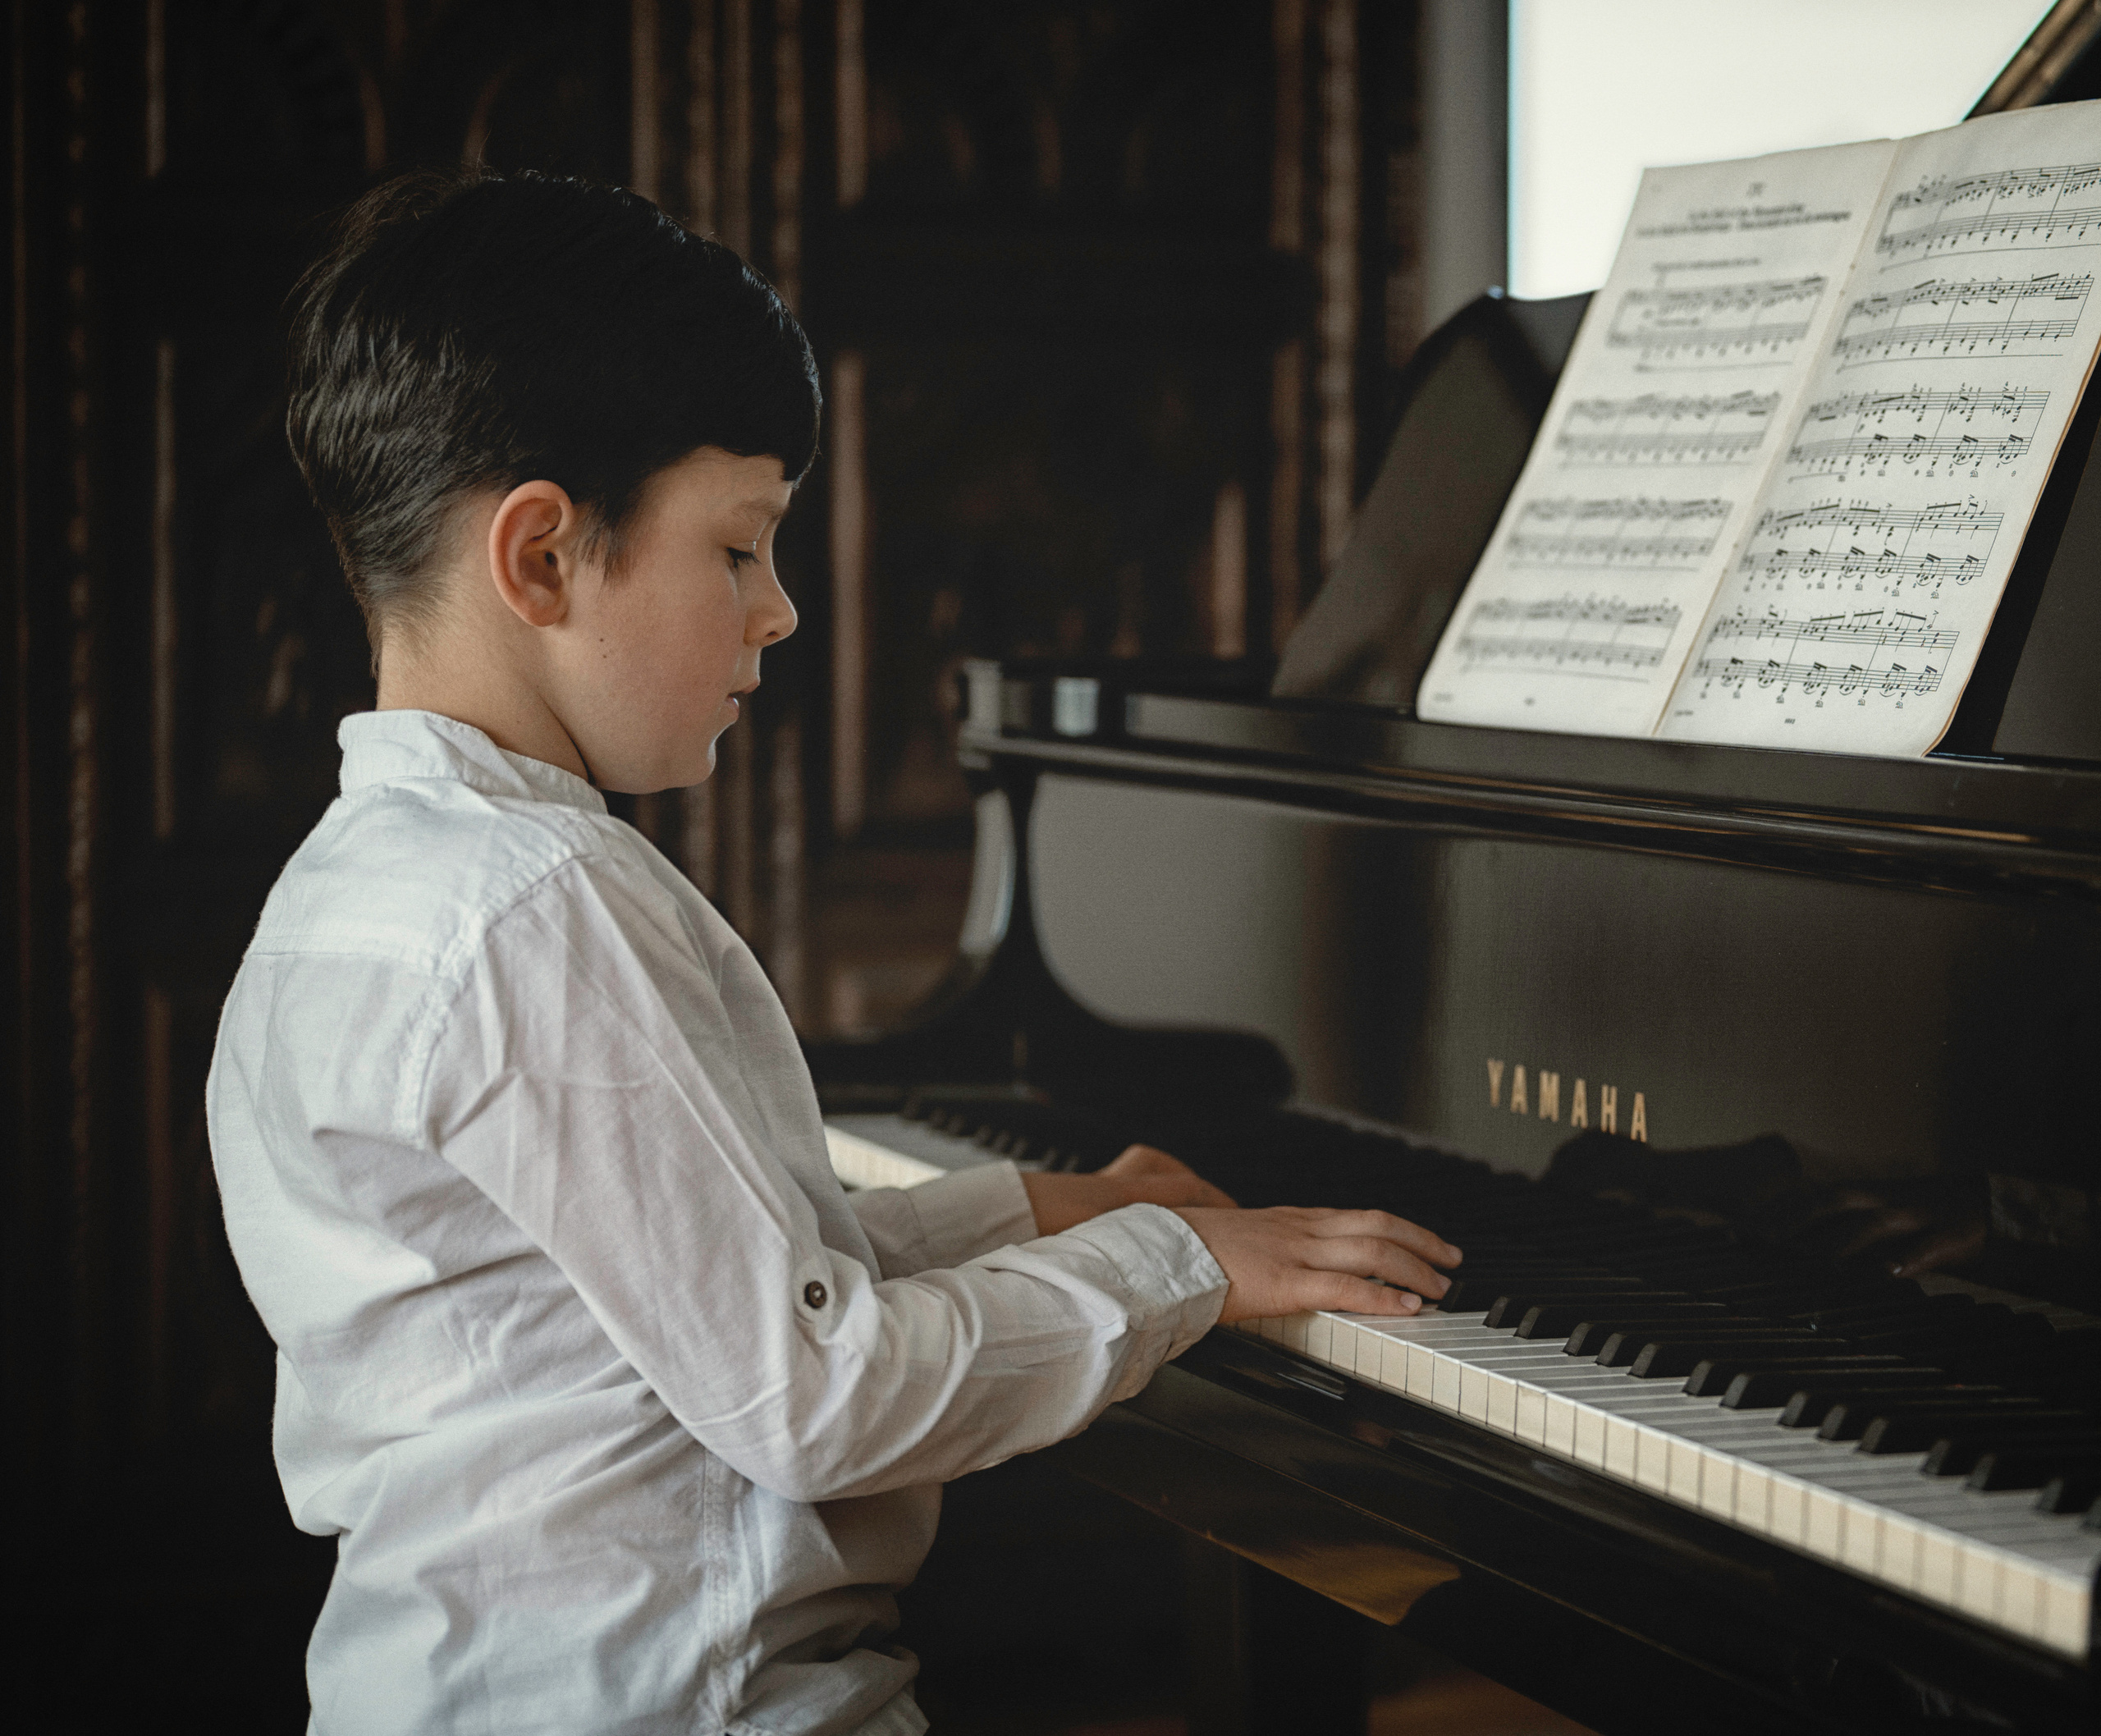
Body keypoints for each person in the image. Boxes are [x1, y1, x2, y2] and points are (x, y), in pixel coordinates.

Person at [206, 164, 1462, 1736]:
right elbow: (816, 1398)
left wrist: (1038, 1207)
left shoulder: (358, 896)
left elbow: (689, 1300)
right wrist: (1182, 1264)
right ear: (539, 558)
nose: (781, 610)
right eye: (740, 548)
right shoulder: (537, 911)